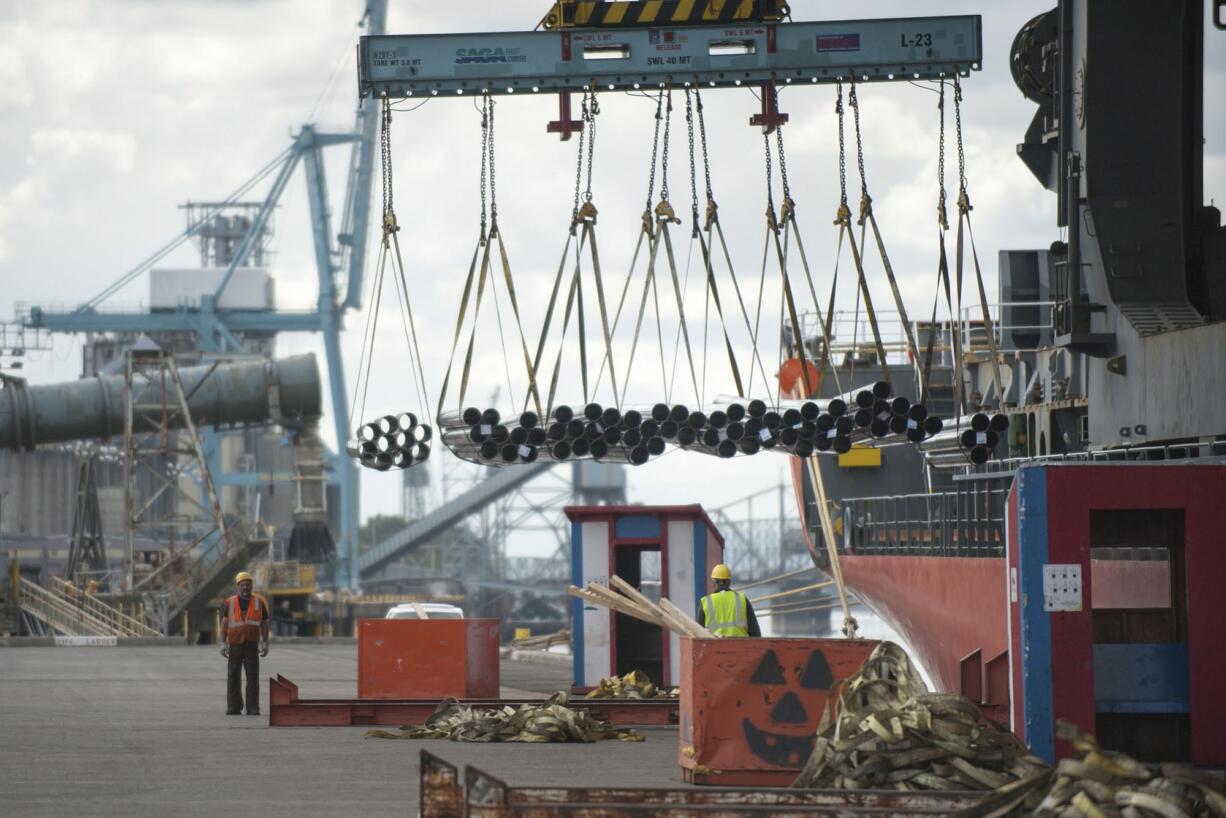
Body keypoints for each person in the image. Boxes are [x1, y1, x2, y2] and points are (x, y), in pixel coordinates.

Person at [220, 571, 269, 715]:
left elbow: (264, 623)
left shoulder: (259, 602)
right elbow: (224, 623)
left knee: (252, 676)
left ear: (251, 587)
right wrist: (222, 643)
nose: (245, 588)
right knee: (233, 676)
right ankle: (233, 707)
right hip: (235, 643)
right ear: (238, 587)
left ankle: (253, 707)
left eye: (248, 585)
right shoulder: (230, 602)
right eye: (242, 585)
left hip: (252, 644)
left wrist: (265, 643)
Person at [697, 564, 761, 637]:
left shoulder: (706, 602)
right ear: (729, 582)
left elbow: (698, 633)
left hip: (714, 647)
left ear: (713, 582)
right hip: (741, 647)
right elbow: (755, 632)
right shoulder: (742, 598)